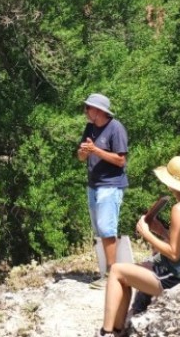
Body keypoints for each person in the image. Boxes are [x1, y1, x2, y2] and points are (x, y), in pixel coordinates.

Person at [97, 156, 180, 337]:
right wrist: (162, 232)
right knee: (125, 274)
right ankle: (117, 330)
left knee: (117, 270)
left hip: (174, 276)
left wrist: (147, 233)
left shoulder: (179, 209)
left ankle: (107, 332)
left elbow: (174, 253)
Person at [76, 93, 129, 286]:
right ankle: (107, 272)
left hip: (111, 185)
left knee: (107, 228)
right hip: (94, 185)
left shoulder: (116, 128)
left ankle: (111, 275)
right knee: (100, 229)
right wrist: (83, 153)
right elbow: (81, 157)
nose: (85, 111)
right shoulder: (90, 128)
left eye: (88, 108)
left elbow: (121, 160)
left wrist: (96, 150)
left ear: (98, 110)